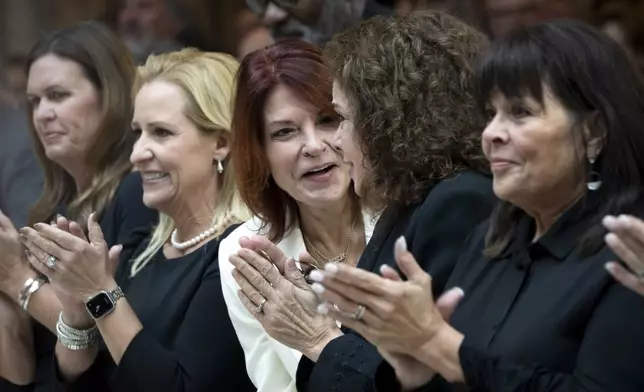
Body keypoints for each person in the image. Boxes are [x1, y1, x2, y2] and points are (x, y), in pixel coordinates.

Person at [311, 19, 644, 392]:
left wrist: (441, 349)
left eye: (520, 113)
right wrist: (413, 370)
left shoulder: (629, 254)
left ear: (593, 131)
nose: (492, 133)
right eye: (491, 114)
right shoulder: (489, 242)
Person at [227, 11, 497, 392]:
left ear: (390, 122)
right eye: (286, 132)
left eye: (339, 119)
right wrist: (328, 312)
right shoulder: (408, 204)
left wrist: (318, 337)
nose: (331, 143)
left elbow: (436, 379)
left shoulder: (456, 203)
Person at [20, 48, 255, 392]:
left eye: (161, 133)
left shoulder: (242, 253)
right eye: (138, 133)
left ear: (221, 142)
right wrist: (77, 318)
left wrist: (99, 290)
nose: (137, 154)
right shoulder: (141, 251)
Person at [0, 21, 157, 392]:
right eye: (35, 101)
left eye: (58, 95)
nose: (42, 114)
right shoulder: (55, 206)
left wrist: (16, 277)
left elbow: (111, 339)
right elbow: (32, 368)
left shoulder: (139, 193)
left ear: (111, 97)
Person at [218, 39, 372, 391]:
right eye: (285, 131)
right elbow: (275, 386)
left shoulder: (406, 214)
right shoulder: (244, 253)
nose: (314, 145)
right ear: (260, 152)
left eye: (328, 120)